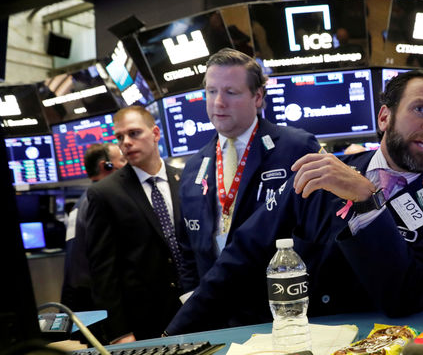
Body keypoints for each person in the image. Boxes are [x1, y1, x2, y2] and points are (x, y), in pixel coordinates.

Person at [165, 69, 423, 335]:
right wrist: (171, 337)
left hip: (391, 344)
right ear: (385, 117)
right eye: (421, 109)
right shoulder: (321, 171)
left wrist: (368, 200)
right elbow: (241, 256)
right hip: (309, 341)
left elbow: (409, 296)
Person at [178, 48, 320, 292]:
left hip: (279, 302)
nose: (218, 102)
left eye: (231, 92)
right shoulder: (193, 167)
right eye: (211, 92)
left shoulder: (296, 148)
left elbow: (317, 232)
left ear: (257, 97)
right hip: (216, 310)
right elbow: (189, 251)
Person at [84, 106, 186, 343]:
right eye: (120, 137)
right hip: (144, 321)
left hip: (196, 309)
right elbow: (103, 271)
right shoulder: (105, 193)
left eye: (134, 133)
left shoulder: (186, 179)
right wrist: (119, 332)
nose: (126, 142)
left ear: (156, 133)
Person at [61, 143, 126, 311]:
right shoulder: (100, 200)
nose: (126, 165)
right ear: (105, 166)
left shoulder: (81, 201)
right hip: (94, 294)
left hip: (77, 291)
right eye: (122, 160)